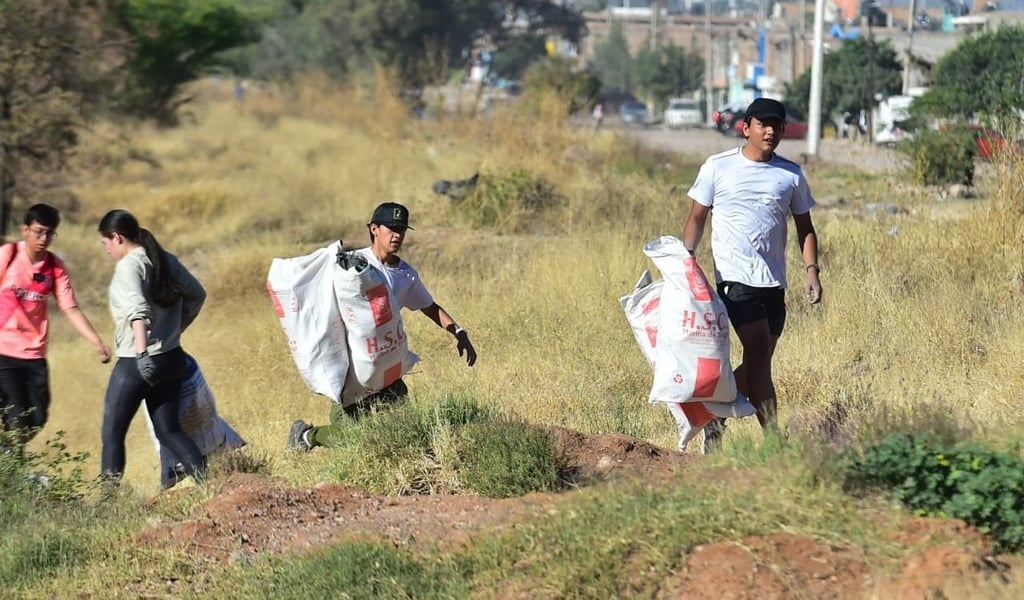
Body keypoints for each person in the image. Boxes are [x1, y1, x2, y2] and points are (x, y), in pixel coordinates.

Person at [681, 98, 822, 452]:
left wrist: (812, 270)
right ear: (746, 128)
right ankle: (775, 441)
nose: (770, 131)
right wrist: (687, 258)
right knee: (759, 354)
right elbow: (698, 217)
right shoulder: (718, 167)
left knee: (759, 363)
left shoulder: (790, 174)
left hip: (774, 282)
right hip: (735, 278)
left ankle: (714, 417)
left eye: (777, 125)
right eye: (763, 124)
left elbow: (805, 227)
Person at [289, 202, 478, 451]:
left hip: (386, 363)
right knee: (351, 438)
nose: (397, 235)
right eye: (391, 228)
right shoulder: (352, 267)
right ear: (374, 229)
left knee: (404, 428)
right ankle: (305, 436)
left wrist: (459, 332)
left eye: (401, 229)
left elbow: (429, 306)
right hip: (353, 369)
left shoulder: (405, 274)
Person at [97, 209, 207, 484]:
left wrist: (142, 352)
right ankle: (209, 484)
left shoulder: (128, 266)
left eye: (106, 243)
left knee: (112, 433)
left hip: (138, 362)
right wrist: (173, 330)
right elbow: (197, 295)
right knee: (169, 430)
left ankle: (107, 503)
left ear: (117, 237)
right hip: (171, 358)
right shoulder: (163, 259)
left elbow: (138, 312)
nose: (107, 250)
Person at [0, 204, 111, 444]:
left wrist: (96, 341)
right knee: (16, 418)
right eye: (39, 232)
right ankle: (9, 471)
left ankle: (7, 459)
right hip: (3, 352)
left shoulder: (54, 266)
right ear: (25, 230)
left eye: (50, 233)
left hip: (34, 353)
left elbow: (69, 307)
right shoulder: (7, 256)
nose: (44, 239)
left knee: (37, 418)